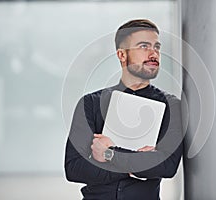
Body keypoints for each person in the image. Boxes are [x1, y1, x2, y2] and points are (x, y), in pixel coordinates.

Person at [64, 19, 184, 200]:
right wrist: (138, 165)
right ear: (122, 55)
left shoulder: (172, 106)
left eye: (157, 47)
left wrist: (108, 154)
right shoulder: (90, 103)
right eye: (144, 46)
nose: (154, 53)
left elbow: (167, 167)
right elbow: (74, 168)